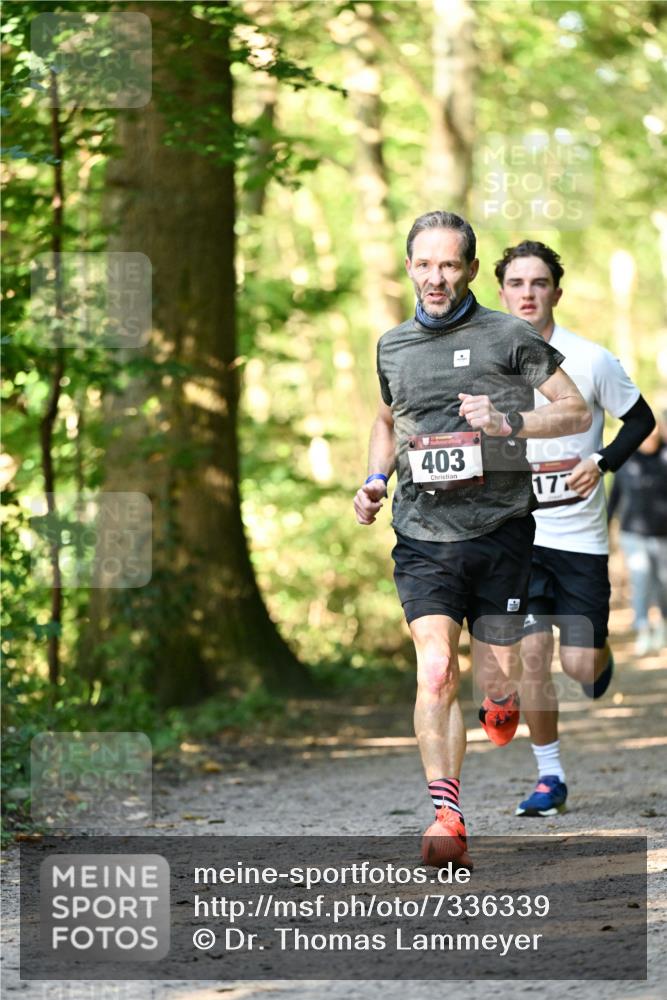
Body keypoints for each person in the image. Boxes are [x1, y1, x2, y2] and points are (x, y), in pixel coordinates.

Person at [353, 212, 591, 867]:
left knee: (496, 672)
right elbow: (383, 419)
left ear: (468, 270)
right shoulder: (392, 345)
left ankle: (501, 696)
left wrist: (508, 418)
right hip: (422, 535)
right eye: (423, 264)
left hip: (499, 532)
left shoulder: (508, 336)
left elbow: (574, 409)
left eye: (448, 265)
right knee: (434, 672)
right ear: (408, 267)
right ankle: (446, 815)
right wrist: (374, 479)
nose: (435, 277)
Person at [495, 240, 655, 818]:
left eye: (539, 283)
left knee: (580, 669)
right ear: (502, 294)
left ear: (556, 293)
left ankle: (602, 654)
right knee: (532, 654)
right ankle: (550, 777)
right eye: (517, 284)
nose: (529, 293)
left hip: (580, 538)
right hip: (519, 536)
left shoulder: (590, 359)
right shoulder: (487, 363)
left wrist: (602, 462)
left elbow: (641, 419)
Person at [608, 411, 667, 656]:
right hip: (633, 534)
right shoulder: (626, 460)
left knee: (663, 584)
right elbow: (615, 498)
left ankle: (662, 625)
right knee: (641, 581)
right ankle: (643, 628)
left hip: (663, 534)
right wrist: (605, 525)